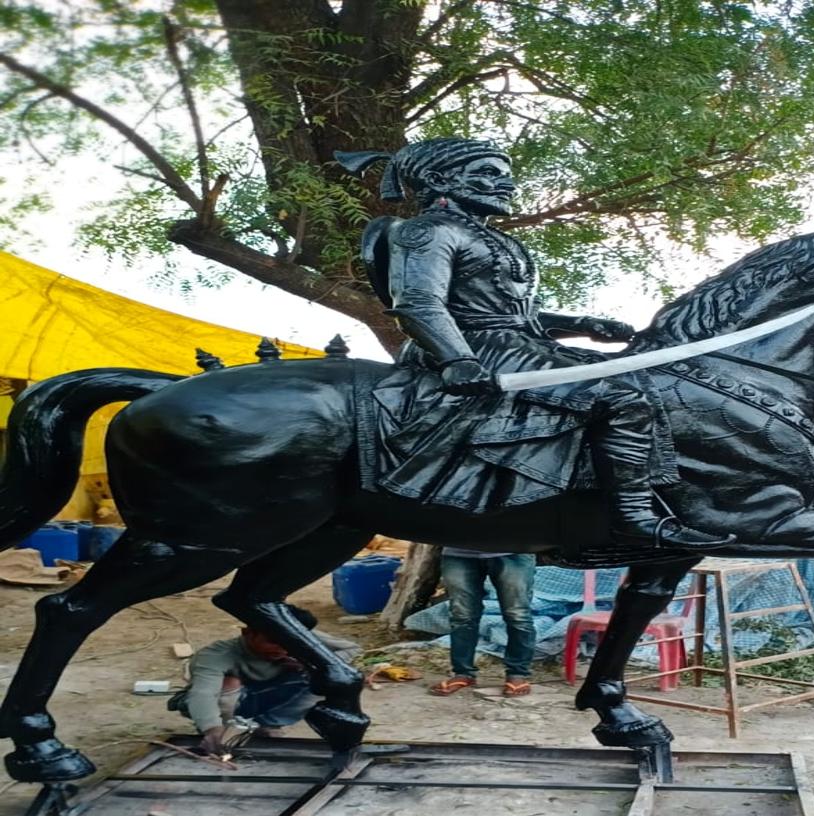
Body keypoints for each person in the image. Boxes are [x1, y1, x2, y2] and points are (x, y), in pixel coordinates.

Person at [335, 138, 731, 550]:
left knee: (643, 382)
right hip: (477, 349)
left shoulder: (491, 238)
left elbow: (514, 315)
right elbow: (417, 302)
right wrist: (457, 360)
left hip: (515, 344)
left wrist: (578, 323)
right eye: (488, 173)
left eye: (506, 173)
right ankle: (632, 515)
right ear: (438, 180)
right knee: (622, 399)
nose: (506, 183)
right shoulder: (428, 230)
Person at [167, 605, 360, 755]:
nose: (282, 649)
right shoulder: (216, 655)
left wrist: (307, 663)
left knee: (329, 677)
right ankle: (224, 734)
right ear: (247, 632)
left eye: (288, 643)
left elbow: (353, 649)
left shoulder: (298, 635)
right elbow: (203, 693)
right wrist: (211, 728)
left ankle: (268, 726)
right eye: (272, 642)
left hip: (269, 695)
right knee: (230, 683)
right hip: (227, 702)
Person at [430, 548, 537, 697]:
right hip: (458, 551)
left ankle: (517, 674)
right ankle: (462, 673)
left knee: (518, 615)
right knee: (462, 617)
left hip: (513, 550)